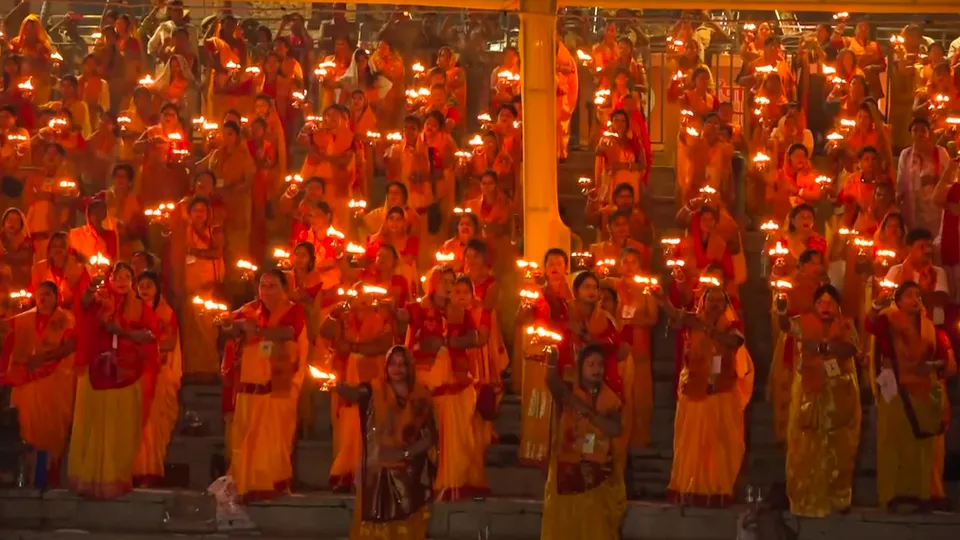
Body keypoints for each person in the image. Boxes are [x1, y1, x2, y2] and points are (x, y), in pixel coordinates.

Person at [655, 282, 751, 507]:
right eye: (711, 299)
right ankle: (690, 488)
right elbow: (675, 314)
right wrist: (662, 300)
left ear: (727, 305)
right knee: (691, 444)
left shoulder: (732, 326)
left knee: (720, 445)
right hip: (694, 392)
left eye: (720, 300)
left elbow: (734, 341)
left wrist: (707, 328)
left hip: (721, 394)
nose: (716, 304)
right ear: (702, 302)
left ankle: (718, 490)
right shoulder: (692, 321)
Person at [68, 262, 158, 499]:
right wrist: (90, 289)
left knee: (121, 428)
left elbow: (150, 336)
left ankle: (116, 478)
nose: (122, 280)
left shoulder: (140, 308)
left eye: (127, 276)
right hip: (97, 372)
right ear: (109, 279)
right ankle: (91, 480)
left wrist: (122, 332)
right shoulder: (99, 299)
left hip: (127, 376)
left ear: (132, 283)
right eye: (117, 276)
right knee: (96, 425)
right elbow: (84, 306)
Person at [219, 270, 308, 501]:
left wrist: (257, 331)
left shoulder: (292, 310)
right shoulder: (249, 309)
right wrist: (228, 325)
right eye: (263, 285)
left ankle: (270, 485)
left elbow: (289, 332)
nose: (266, 290)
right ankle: (246, 487)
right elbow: (228, 325)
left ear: (284, 289)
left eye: (272, 285)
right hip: (249, 386)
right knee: (245, 439)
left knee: (273, 441)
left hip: (277, 388)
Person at [867, 281, 955, 512]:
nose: (915, 299)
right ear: (897, 301)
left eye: (918, 295)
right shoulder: (889, 321)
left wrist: (934, 365)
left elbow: (945, 362)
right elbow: (870, 324)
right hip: (896, 389)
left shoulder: (930, 329)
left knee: (921, 446)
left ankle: (920, 494)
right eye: (908, 295)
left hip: (923, 390)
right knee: (893, 441)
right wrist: (877, 303)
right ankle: (893, 495)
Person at [777, 284, 861, 517]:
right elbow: (785, 326)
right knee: (806, 447)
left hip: (838, 396)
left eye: (830, 303)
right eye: (820, 303)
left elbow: (852, 349)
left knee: (838, 448)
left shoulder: (845, 324)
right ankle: (805, 498)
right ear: (813, 306)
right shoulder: (803, 322)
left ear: (838, 307)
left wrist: (824, 346)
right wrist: (782, 310)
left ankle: (837, 499)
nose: (825, 307)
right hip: (809, 394)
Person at [336, 345, 435, 540]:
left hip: (408, 472)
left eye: (402, 364)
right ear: (386, 366)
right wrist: (337, 385)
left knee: (404, 525)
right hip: (377, 469)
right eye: (393, 364)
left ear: (410, 368)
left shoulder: (421, 397)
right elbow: (353, 393)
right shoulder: (374, 390)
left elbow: (429, 437)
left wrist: (404, 454)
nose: (397, 369)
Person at [540, 343, 625, 538]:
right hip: (568, 471)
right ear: (581, 367)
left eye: (600, 365)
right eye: (591, 364)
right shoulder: (569, 392)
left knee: (595, 527)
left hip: (597, 475)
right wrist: (552, 360)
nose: (597, 369)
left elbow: (616, 429)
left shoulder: (611, 398)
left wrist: (587, 412)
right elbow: (552, 381)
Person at [319, 282, 397, 491]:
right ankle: (346, 474)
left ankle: (367, 475)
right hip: (346, 377)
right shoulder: (343, 318)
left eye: (365, 294)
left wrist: (353, 347)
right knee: (347, 428)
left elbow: (384, 344)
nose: (361, 298)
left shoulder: (381, 317)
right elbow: (324, 331)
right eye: (357, 294)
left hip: (372, 378)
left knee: (368, 425)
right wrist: (334, 314)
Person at [0, 280, 76, 487]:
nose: (43, 298)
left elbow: (70, 345)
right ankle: (27, 478)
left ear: (56, 297)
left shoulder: (66, 318)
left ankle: (48, 477)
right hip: (27, 383)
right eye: (40, 294)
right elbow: (5, 334)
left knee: (52, 429)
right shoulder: (23, 319)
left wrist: (45, 358)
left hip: (56, 383)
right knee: (25, 427)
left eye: (48, 295)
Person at [517, 248, 572, 464]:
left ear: (566, 268)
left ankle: (559, 449)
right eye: (550, 263)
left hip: (564, 353)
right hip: (539, 353)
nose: (555, 267)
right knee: (537, 401)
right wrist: (526, 308)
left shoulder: (572, 294)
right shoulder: (535, 294)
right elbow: (519, 319)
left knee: (560, 402)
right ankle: (535, 449)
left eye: (559, 263)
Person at [132, 270, 181, 487]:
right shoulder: (129, 310)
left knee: (153, 424)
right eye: (140, 285)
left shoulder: (165, 312)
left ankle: (150, 471)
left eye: (148, 285)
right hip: (134, 374)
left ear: (157, 289)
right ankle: (131, 469)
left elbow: (169, 343)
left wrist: (148, 349)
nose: (144, 289)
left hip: (159, 374)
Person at [30, 231, 90, 309]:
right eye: (54, 246)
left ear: (68, 249)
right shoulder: (39, 268)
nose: (58, 249)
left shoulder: (78, 269)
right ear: (49, 250)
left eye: (62, 246)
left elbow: (83, 297)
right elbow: (35, 292)